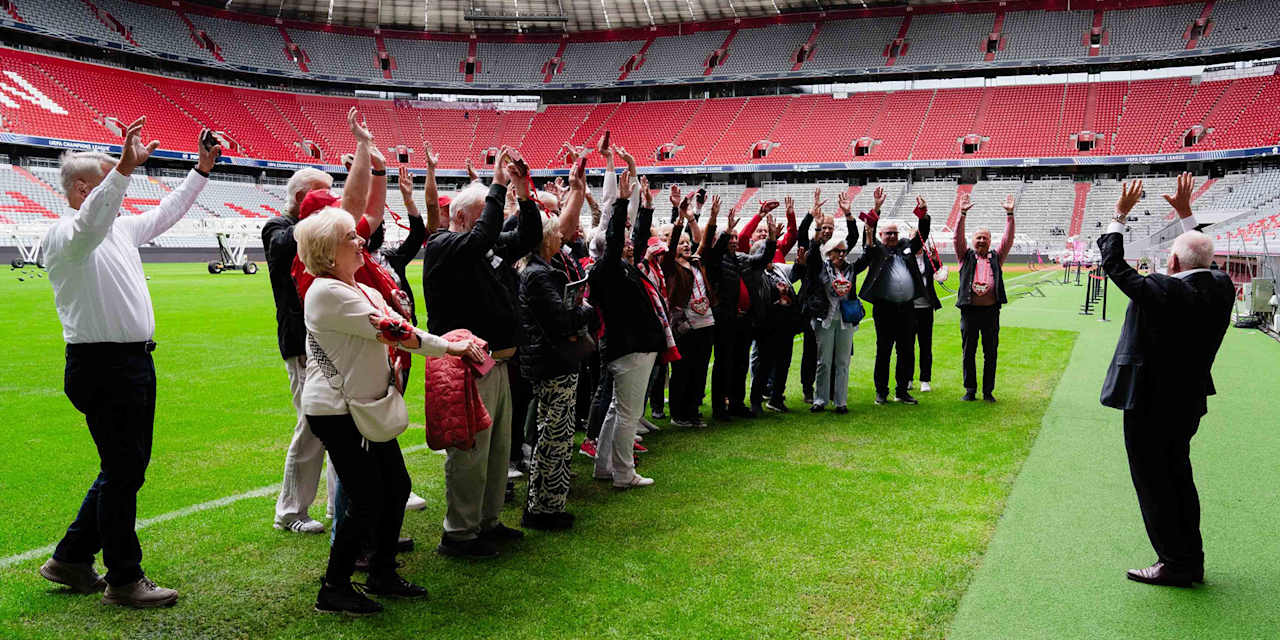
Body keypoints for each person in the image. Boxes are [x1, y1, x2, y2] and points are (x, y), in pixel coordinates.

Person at [39, 120, 218, 608]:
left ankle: (71, 558)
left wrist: (201, 170)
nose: (121, 193)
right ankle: (123, 578)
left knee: (125, 468)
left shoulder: (117, 228)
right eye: (108, 184)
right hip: (103, 366)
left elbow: (166, 212)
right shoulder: (66, 234)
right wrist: (122, 169)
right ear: (83, 189)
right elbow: (92, 222)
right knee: (123, 472)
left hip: (130, 363)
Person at [295, 207, 484, 615]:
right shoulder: (326, 292)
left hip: (361, 406)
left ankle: (381, 571)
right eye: (350, 237)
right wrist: (451, 347)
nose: (360, 241)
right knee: (366, 497)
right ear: (327, 251)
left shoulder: (359, 289)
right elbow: (394, 331)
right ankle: (334, 587)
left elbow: (398, 323)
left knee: (395, 486)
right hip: (338, 411)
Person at [1099, 174, 1234, 588]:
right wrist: (1186, 216)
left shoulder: (1162, 291)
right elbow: (1203, 260)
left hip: (1148, 404)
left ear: (1173, 263)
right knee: (1178, 479)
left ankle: (1174, 563)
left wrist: (1119, 215)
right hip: (1187, 402)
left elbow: (1114, 265)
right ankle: (1189, 559)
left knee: (1155, 485)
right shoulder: (1222, 288)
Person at [422, 147, 540, 558]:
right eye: (484, 216)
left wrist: (522, 192)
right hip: (465, 367)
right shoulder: (442, 245)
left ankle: (487, 521)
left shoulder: (482, 246)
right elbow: (482, 238)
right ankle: (459, 533)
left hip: (498, 364)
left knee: (497, 451)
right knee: (470, 453)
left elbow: (528, 237)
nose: (493, 224)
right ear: (459, 218)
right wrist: (496, 185)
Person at [517, 183, 594, 528]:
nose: (562, 237)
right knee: (553, 435)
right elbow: (562, 320)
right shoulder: (539, 275)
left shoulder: (539, 271)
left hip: (552, 361)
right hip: (553, 363)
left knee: (556, 434)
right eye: (556, 234)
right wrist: (585, 310)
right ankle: (544, 508)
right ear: (546, 239)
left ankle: (547, 504)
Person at [264, 164, 335, 535]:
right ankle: (290, 511)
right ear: (300, 198)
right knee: (311, 423)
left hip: (325, 339)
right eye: (322, 197)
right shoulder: (277, 229)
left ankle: (338, 503)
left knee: (337, 420)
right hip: (301, 343)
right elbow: (283, 244)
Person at [588, 169, 669, 488]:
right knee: (627, 415)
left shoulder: (621, 267)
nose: (630, 246)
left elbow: (636, 240)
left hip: (631, 347)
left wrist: (645, 208)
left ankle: (603, 466)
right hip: (630, 349)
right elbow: (614, 242)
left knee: (616, 410)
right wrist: (621, 202)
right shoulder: (607, 270)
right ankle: (624, 472)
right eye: (623, 242)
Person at [853, 194, 929, 406]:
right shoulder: (876, 250)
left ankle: (902, 391)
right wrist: (876, 209)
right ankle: (881, 392)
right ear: (880, 235)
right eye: (888, 233)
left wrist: (923, 215)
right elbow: (867, 237)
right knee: (884, 351)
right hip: (884, 309)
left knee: (906, 351)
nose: (893, 236)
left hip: (907, 308)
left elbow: (923, 234)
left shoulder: (907, 248)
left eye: (895, 233)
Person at [708, 202, 776, 421]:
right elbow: (714, 254)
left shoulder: (742, 258)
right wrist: (726, 231)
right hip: (725, 321)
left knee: (741, 364)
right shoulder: (716, 261)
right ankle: (719, 407)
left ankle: (737, 403)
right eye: (730, 237)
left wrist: (772, 240)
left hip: (745, 321)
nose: (734, 241)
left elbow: (763, 259)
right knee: (723, 364)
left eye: (736, 238)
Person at [952, 193, 1015, 402]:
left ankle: (988, 391)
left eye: (985, 238)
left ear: (989, 241)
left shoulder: (996, 257)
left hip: (990, 312)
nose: (981, 241)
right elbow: (956, 238)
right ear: (972, 241)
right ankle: (970, 389)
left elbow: (1008, 241)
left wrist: (1010, 215)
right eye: (978, 238)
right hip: (969, 312)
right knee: (968, 352)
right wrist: (962, 214)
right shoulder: (964, 256)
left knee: (990, 353)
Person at [803, 191, 862, 413]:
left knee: (842, 362)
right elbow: (811, 254)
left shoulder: (850, 268)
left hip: (845, 319)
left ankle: (840, 401)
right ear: (829, 253)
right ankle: (818, 398)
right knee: (822, 361)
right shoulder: (820, 265)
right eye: (837, 251)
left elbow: (857, 241)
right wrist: (817, 226)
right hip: (823, 316)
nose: (841, 254)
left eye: (843, 251)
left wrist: (849, 214)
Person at [664, 196, 719, 428]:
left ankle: (693, 411)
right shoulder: (670, 267)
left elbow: (704, 242)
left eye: (688, 243)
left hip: (706, 324)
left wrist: (712, 218)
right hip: (685, 327)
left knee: (699, 370)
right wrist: (679, 221)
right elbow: (669, 251)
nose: (686, 246)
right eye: (681, 243)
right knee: (682, 371)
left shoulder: (697, 262)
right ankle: (678, 414)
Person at [910, 223, 945, 393]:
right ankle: (908, 378)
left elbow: (940, 274)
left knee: (925, 345)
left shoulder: (928, 258)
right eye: (913, 238)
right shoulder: (906, 257)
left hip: (926, 308)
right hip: (909, 308)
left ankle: (925, 379)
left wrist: (936, 261)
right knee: (907, 345)